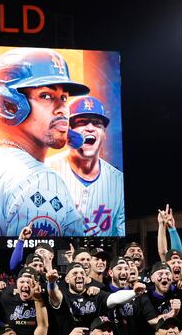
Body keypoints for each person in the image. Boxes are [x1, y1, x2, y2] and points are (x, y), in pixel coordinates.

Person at [0, 48, 92, 237]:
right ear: (8, 103)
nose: (63, 109)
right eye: (46, 96)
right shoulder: (39, 179)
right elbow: (35, 263)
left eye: (63, 98)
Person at [47, 95, 125, 236]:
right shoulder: (45, 172)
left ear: (104, 134)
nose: (90, 128)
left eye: (97, 123)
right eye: (82, 122)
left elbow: (121, 232)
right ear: (67, 131)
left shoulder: (119, 181)